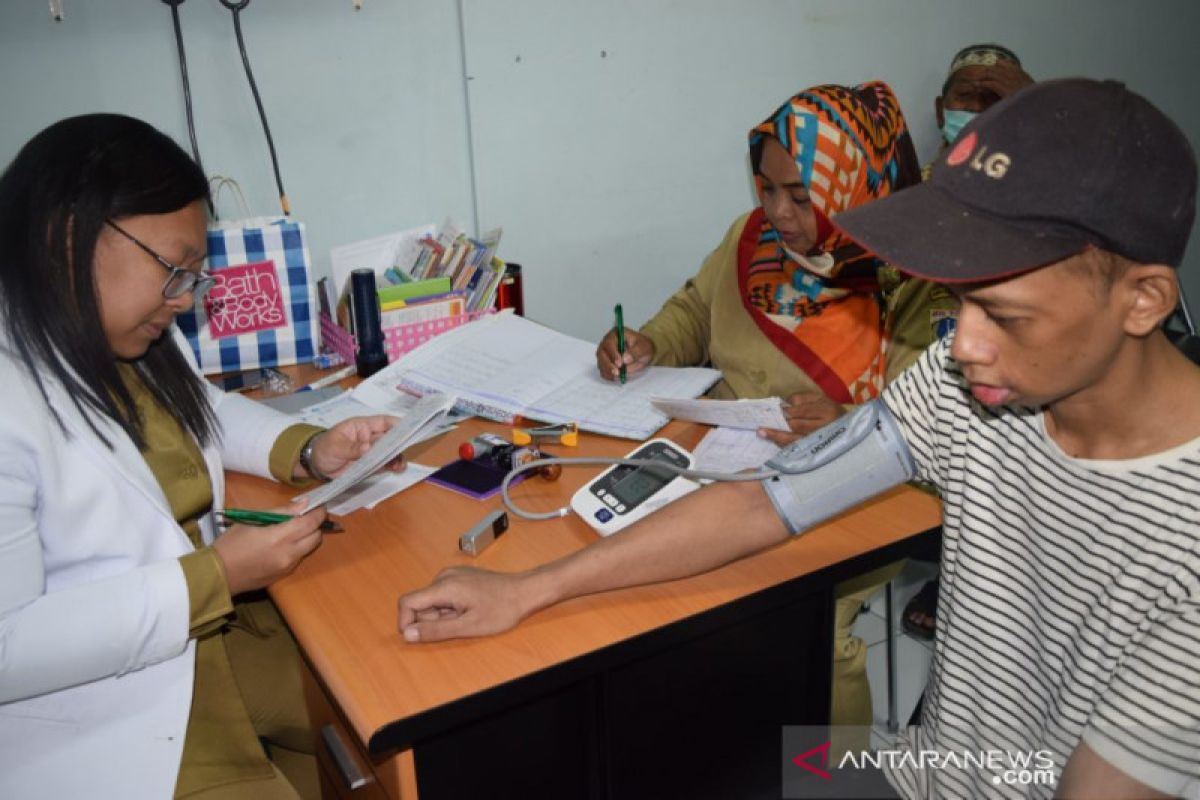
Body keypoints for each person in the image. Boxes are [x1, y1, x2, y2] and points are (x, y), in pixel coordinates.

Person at [399, 78, 1200, 798]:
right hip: (929, 767)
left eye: (1006, 315)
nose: (960, 345)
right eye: (961, 306)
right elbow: (765, 505)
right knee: (738, 761)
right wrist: (529, 590)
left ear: (1143, 300)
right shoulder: (970, 388)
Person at [0, 114, 404, 799]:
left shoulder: (123, 332)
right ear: (67, 234)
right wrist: (211, 577)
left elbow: (202, 412)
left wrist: (308, 449)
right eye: (173, 270)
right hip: (104, 717)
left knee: (384, 705)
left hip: (219, 642)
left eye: (194, 275)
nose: (186, 300)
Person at [594, 82, 927, 752]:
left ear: (852, 183)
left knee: (803, 621)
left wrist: (851, 413)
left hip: (855, 482)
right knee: (643, 578)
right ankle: (724, 757)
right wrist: (649, 342)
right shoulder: (750, 242)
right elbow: (695, 309)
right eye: (766, 188)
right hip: (719, 461)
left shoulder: (911, 276)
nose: (777, 211)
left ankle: (828, 779)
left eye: (801, 195)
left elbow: (936, 406)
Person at [899, 42, 1035, 642]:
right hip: (917, 399)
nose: (977, 110)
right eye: (966, 97)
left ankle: (963, 581)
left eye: (996, 100)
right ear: (938, 109)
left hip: (1007, 416)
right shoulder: (901, 201)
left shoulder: (1041, 207)